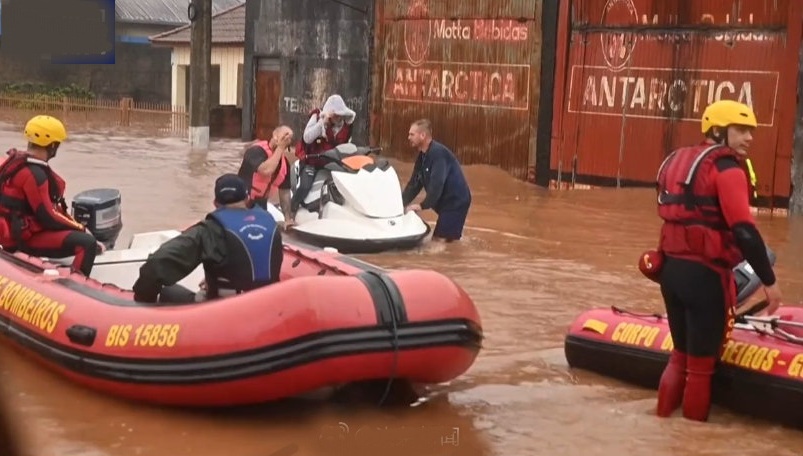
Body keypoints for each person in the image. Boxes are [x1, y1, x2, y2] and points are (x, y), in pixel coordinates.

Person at [640, 99, 782, 422]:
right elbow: (744, 232)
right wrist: (770, 283)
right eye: (742, 130)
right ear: (718, 131)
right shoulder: (728, 169)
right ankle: (692, 443)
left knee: (679, 356)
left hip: (671, 273)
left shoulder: (678, 160)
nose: (749, 138)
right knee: (701, 370)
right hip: (705, 278)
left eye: (751, 131)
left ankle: (662, 425)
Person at [133, 174, 283, 304]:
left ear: (215, 203)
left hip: (224, 313)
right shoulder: (270, 222)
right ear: (247, 198)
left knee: (168, 292)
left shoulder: (210, 230)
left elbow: (156, 264)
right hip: (268, 308)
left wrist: (143, 299)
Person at [0, 115, 102, 276]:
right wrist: (82, 229)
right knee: (87, 244)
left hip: (11, 232)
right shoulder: (34, 175)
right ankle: (75, 288)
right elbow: (48, 216)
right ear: (52, 145)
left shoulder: (14, 164)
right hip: (23, 239)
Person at [401, 119, 472, 242]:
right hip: (444, 203)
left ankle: (454, 257)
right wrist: (400, 203)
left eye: (412, 134)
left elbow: (437, 184)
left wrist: (421, 205)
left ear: (422, 135)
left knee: (439, 242)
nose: (409, 137)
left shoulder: (438, 154)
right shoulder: (423, 156)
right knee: (446, 240)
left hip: (455, 202)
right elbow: (414, 184)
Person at [291, 94, 356, 221]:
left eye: (339, 115)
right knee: (305, 185)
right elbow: (307, 138)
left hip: (334, 162)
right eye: (335, 115)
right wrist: (322, 122)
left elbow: (347, 146)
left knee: (350, 181)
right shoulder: (317, 117)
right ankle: (292, 209)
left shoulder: (346, 126)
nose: (337, 118)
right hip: (313, 162)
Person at [236, 125, 295, 227]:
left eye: (289, 138)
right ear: (275, 136)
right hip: (242, 202)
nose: (287, 139)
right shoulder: (256, 151)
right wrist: (280, 147)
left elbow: (284, 193)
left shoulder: (284, 164)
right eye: (284, 136)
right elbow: (266, 170)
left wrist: (287, 218)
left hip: (260, 204)